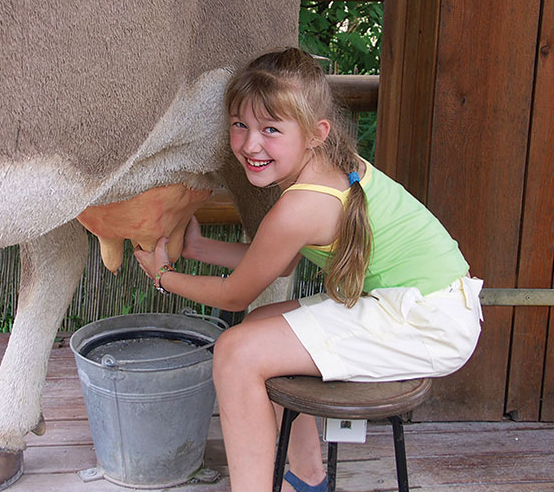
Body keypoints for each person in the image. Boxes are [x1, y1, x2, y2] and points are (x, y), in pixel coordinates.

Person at [134, 47, 483, 492]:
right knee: (261, 324)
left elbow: (235, 296)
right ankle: (306, 477)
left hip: (429, 319)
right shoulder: (326, 170)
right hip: (425, 303)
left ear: (316, 133)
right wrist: (199, 247)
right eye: (240, 124)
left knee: (237, 352)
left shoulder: (301, 205)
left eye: (271, 129)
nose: (250, 144)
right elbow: (273, 262)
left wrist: (162, 276)